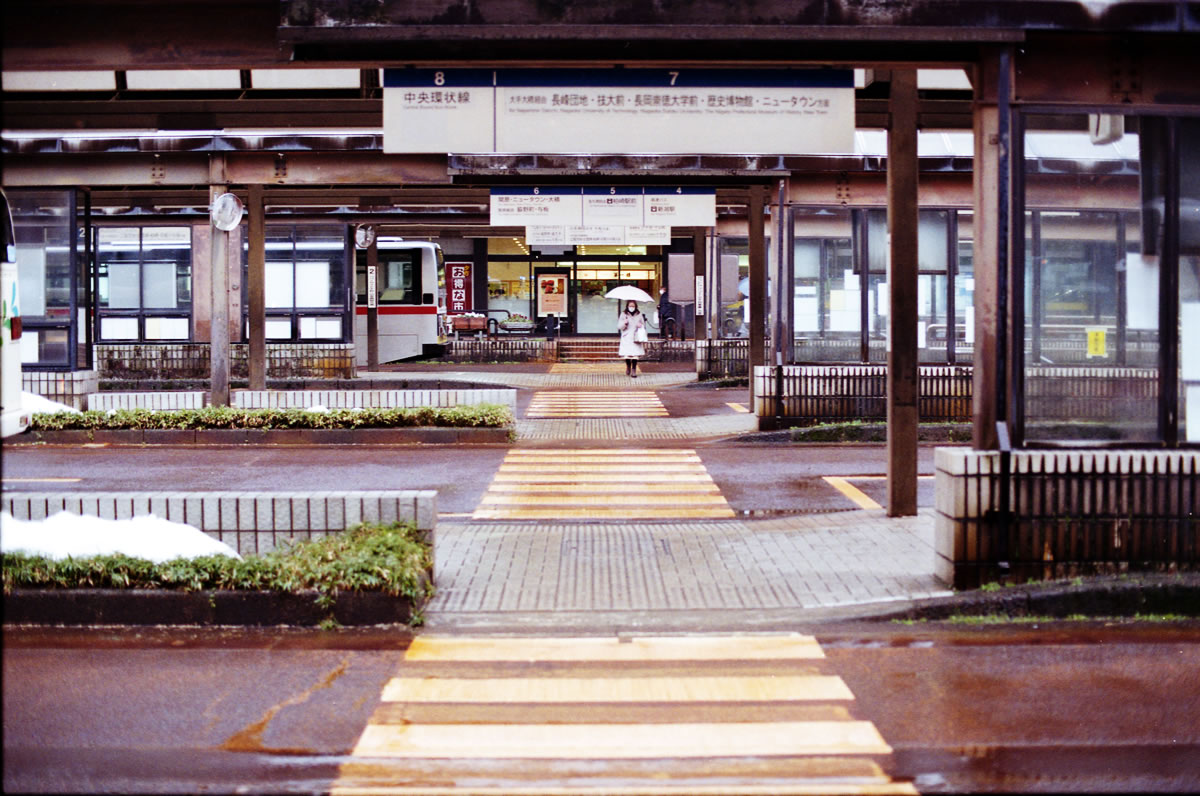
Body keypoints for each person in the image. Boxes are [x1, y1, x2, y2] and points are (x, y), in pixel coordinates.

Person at [617, 299, 647, 378]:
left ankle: (633, 370)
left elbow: (643, 325)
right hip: (627, 337)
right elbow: (619, 326)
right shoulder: (624, 314)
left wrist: (640, 325)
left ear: (636, 306)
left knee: (635, 355)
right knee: (627, 354)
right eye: (630, 306)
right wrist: (624, 323)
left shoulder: (639, 314)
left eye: (633, 306)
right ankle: (628, 367)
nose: (631, 307)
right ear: (627, 306)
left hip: (635, 337)